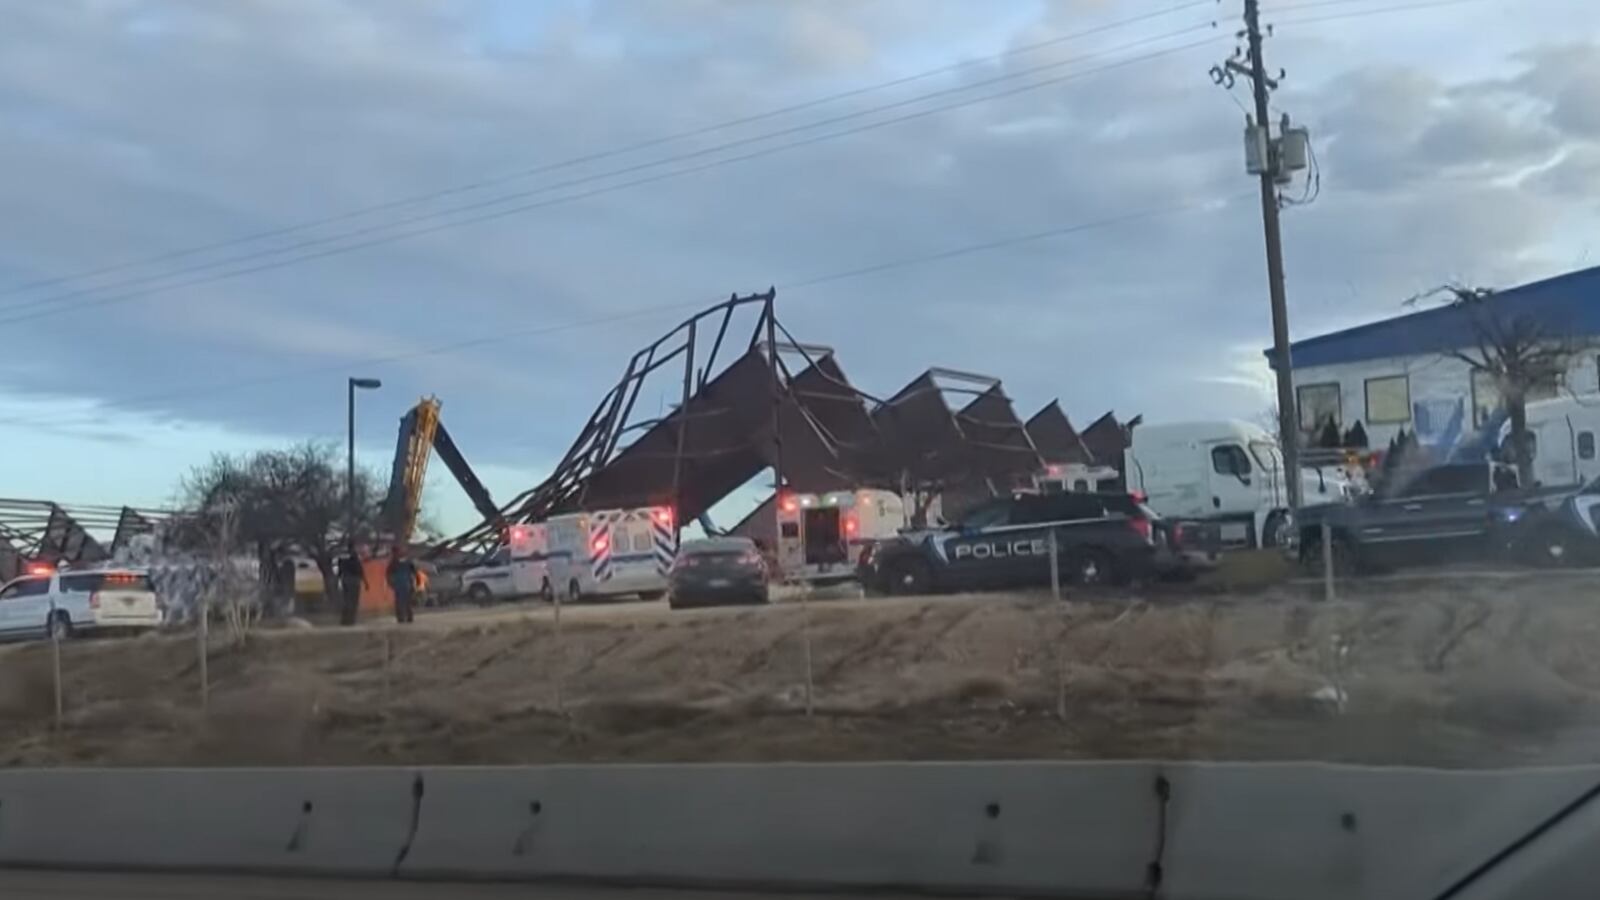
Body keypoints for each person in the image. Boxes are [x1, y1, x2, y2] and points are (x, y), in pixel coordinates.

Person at [336, 542, 367, 626]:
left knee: (346, 600)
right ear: (353, 547)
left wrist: (338, 580)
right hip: (354, 580)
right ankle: (351, 620)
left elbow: (340, 570)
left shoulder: (343, 557)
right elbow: (360, 569)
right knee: (353, 601)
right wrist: (365, 582)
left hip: (345, 579)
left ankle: (345, 620)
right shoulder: (355, 556)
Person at [386, 546, 418, 625]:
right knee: (405, 601)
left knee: (401, 601)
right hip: (404, 583)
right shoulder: (405, 562)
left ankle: (403, 617)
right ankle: (406, 617)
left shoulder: (394, 563)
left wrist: (390, 583)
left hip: (401, 584)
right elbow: (414, 572)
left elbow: (389, 574)